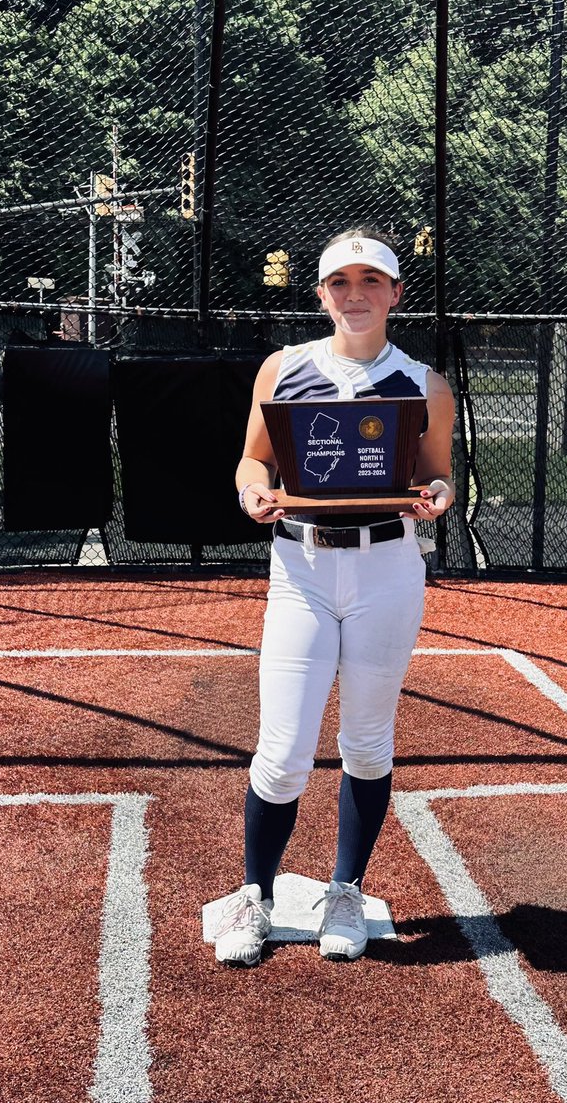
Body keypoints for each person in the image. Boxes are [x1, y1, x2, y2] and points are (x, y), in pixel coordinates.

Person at [213, 227, 455, 967]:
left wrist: (439, 497)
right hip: (304, 570)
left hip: (387, 570)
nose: (356, 295)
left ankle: (345, 889)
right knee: (283, 751)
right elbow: (252, 461)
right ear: (320, 293)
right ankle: (254, 896)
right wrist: (254, 493)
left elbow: (438, 475)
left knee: (366, 742)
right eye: (340, 283)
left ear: (395, 293)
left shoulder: (423, 384)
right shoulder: (283, 369)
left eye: (371, 281)